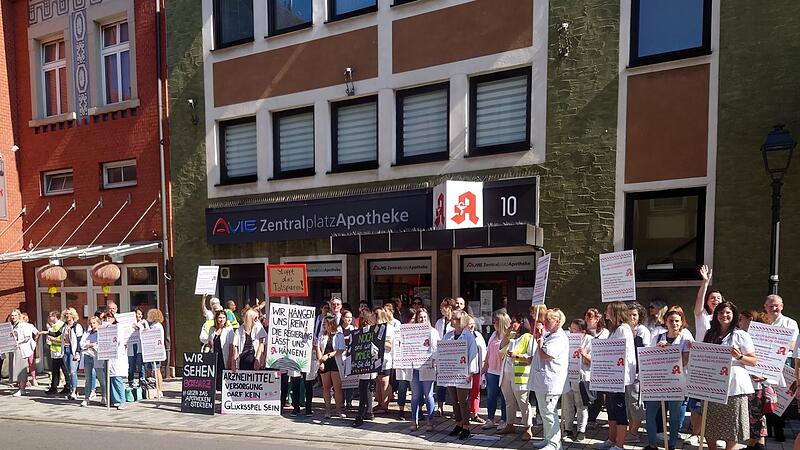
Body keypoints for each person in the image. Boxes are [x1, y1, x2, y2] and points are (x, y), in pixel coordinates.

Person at [701, 301, 757, 450]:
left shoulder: (741, 335)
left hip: (734, 386)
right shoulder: (709, 334)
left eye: (728, 313)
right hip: (713, 384)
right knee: (710, 421)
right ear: (716, 315)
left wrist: (739, 357)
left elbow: (753, 360)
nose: (724, 315)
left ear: (734, 316)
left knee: (733, 423)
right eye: (720, 312)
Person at [644, 308, 694, 450]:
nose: (674, 323)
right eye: (671, 321)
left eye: (677, 321)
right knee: (651, 412)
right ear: (665, 322)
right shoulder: (658, 337)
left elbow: (684, 361)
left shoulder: (685, 338)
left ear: (681, 322)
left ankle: (671, 445)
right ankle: (652, 444)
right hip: (657, 379)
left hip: (677, 381)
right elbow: (649, 358)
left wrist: (670, 349)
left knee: (674, 414)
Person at [594, 301, 636, 450]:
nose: (606, 313)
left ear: (616, 312)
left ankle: (620, 444)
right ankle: (611, 440)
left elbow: (617, 352)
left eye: (608, 310)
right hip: (611, 376)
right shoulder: (614, 329)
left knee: (619, 410)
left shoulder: (623, 329)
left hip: (619, 377)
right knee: (611, 409)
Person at [531, 308, 569, 450]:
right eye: (545, 319)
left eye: (549, 320)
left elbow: (546, 355)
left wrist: (540, 343)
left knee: (549, 412)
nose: (545, 322)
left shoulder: (559, 337)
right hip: (543, 381)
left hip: (551, 382)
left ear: (558, 321)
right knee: (545, 411)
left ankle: (554, 443)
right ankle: (547, 438)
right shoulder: (550, 335)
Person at [762, 294, 797, 442]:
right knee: (766, 394)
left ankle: (779, 428)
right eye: (770, 306)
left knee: (783, 397)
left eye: (776, 305)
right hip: (765, 362)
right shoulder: (761, 322)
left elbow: (793, 344)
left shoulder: (790, 323)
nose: (774, 308)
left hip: (783, 363)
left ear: (782, 306)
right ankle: (768, 427)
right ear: (765, 307)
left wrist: (772, 345)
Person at [442, 309, 480, 440]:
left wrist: (471, 372)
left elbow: (473, 355)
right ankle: (458, 423)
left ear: (460, 321)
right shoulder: (448, 335)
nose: (451, 320)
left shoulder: (469, 336)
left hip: (463, 373)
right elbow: (443, 352)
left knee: (463, 401)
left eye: (454, 318)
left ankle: (466, 426)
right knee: (454, 400)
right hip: (450, 372)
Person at [498, 310, 535, 439]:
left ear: (521, 323)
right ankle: (510, 424)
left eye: (514, 321)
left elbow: (532, 357)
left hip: (520, 375)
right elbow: (501, 350)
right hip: (507, 373)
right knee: (509, 401)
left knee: (523, 402)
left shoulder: (529, 337)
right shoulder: (512, 336)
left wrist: (517, 356)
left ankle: (528, 427)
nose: (511, 324)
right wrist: (506, 335)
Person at [739, 310, 770, 450]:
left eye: (741, 319)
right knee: (754, 416)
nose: (738, 322)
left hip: (757, 384)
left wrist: (765, 375)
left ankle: (755, 446)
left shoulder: (762, 337)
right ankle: (756, 445)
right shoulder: (742, 337)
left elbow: (772, 360)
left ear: (750, 320)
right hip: (746, 382)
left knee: (755, 416)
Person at [409, 308, 439, 432]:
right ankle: (414, 420)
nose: (423, 319)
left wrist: (433, 361)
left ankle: (430, 421)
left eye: (425, 317)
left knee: (428, 395)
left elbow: (436, 349)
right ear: (416, 319)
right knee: (415, 395)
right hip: (414, 368)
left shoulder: (433, 331)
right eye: (420, 317)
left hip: (427, 366)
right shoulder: (411, 332)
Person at [564, 319, 593, 443]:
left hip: (582, 377)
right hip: (568, 375)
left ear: (583, 332)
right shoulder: (567, 339)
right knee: (568, 404)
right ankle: (568, 429)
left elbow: (592, 361)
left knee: (581, 405)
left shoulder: (590, 341)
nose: (572, 332)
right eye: (571, 329)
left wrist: (584, 354)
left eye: (575, 330)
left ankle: (581, 430)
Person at [625, 302, 649, 444]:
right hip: (627, 374)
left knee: (636, 403)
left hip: (637, 374)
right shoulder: (625, 330)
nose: (631, 317)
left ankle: (634, 433)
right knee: (629, 403)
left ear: (639, 316)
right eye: (629, 315)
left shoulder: (642, 331)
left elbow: (644, 353)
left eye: (634, 315)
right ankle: (630, 429)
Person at [481, 312, 509, 431]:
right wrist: (485, 367)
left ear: (501, 323)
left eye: (495, 322)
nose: (493, 324)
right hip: (492, 370)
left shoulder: (508, 337)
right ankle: (490, 419)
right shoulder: (493, 334)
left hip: (504, 371)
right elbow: (488, 352)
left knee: (504, 397)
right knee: (491, 396)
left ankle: (504, 419)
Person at [352, 310, 380, 428]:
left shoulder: (373, 331)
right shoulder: (359, 332)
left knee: (366, 388)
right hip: (362, 363)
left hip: (369, 363)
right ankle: (368, 411)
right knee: (364, 387)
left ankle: (361, 413)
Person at [317, 315, 346, 419]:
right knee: (326, 387)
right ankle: (328, 410)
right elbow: (319, 349)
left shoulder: (339, 335)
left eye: (326, 323)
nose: (324, 325)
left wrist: (328, 355)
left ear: (331, 324)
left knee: (337, 388)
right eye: (324, 323)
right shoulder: (321, 334)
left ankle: (338, 410)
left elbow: (341, 349)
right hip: (325, 363)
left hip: (335, 363)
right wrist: (320, 362)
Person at [585, 306, 608, 427]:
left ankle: (593, 418)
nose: (587, 320)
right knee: (587, 393)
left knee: (598, 394)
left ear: (597, 319)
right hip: (587, 367)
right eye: (586, 317)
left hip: (601, 367)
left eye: (590, 317)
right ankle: (586, 417)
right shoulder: (584, 333)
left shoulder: (605, 333)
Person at [200, 309, 234, 391]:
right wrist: (205, 352)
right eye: (220, 318)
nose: (221, 319)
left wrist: (230, 360)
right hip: (215, 356)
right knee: (215, 376)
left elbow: (231, 346)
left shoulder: (229, 330)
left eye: (223, 317)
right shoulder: (212, 329)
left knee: (224, 377)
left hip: (224, 356)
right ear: (216, 319)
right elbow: (210, 343)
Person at [434, 297, 456, 416]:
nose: (441, 309)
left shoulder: (456, 321)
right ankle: (440, 406)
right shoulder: (439, 322)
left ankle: (454, 408)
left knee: (453, 384)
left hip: (453, 355)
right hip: (441, 354)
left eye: (443, 307)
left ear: (449, 308)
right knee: (440, 383)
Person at [694, 264, 723, 347]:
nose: (716, 300)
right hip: (701, 352)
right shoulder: (701, 315)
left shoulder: (725, 317)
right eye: (712, 298)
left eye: (718, 298)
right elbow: (700, 298)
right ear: (707, 302)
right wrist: (705, 282)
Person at [373, 307, 395, 414]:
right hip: (375, 358)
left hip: (385, 357)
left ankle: (385, 406)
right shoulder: (375, 328)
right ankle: (380, 402)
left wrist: (379, 342)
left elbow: (390, 344)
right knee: (378, 381)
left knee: (384, 382)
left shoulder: (388, 328)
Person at [9, 310, 34, 396]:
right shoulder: (12, 326)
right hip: (13, 348)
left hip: (21, 349)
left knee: (21, 369)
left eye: (15, 315)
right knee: (15, 368)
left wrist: (19, 342)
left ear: (19, 316)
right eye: (12, 315)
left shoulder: (23, 325)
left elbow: (27, 337)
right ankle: (19, 387)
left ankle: (22, 388)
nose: (13, 317)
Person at [467, 314, 487, 423]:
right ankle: (463, 414)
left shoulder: (478, 335)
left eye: (473, 324)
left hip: (477, 368)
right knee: (464, 393)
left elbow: (483, 351)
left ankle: (474, 413)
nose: (471, 326)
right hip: (465, 370)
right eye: (469, 324)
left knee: (476, 392)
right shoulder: (463, 336)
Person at [60, 308, 83, 400]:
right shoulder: (64, 326)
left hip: (72, 350)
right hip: (65, 349)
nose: (67, 316)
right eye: (66, 314)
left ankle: (74, 391)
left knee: (73, 372)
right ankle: (72, 390)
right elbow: (56, 333)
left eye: (69, 314)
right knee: (69, 372)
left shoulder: (77, 326)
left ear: (73, 315)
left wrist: (77, 352)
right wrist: (45, 332)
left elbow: (79, 340)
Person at [79, 316, 102, 407]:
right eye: (91, 323)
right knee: (88, 378)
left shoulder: (100, 332)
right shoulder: (87, 333)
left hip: (97, 356)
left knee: (101, 378)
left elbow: (99, 344)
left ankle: (104, 396)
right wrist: (89, 345)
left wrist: (91, 345)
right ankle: (86, 398)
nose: (92, 325)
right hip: (88, 356)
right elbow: (82, 344)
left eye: (94, 323)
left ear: (98, 323)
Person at [43, 310, 68, 395]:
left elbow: (62, 339)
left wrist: (53, 339)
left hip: (60, 351)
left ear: (55, 317)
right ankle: (54, 387)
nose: (49, 318)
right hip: (54, 351)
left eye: (51, 316)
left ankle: (68, 386)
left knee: (65, 370)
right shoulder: (53, 326)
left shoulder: (60, 325)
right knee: (55, 370)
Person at [145, 308, 167, 398]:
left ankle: (160, 389)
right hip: (151, 351)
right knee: (150, 370)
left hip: (156, 351)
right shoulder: (154, 325)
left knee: (157, 370)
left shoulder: (157, 326)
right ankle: (152, 389)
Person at [339, 310, 356, 409]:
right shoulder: (338, 329)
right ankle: (341, 400)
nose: (349, 319)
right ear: (342, 318)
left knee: (350, 379)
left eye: (350, 317)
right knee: (341, 379)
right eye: (346, 317)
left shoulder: (354, 329)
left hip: (350, 356)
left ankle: (349, 401)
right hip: (340, 356)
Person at [126, 308, 147, 386]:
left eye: (141, 314)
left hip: (140, 347)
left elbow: (147, 332)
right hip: (132, 346)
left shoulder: (144, 323)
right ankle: (130, 384)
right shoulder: (129, 324)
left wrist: (142, 326)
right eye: (138, 314)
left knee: (141, 367)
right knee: (131, 367)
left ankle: (142, 384)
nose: (139, 315)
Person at [19, 313, 40, 387]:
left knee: (31, 362)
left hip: (29, 346)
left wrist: (35, 340)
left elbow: (37, 332)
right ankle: (26, 380)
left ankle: (33, 378)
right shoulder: (19, 326)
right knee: (25, 364)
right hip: (22, 346)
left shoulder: (29, 325)